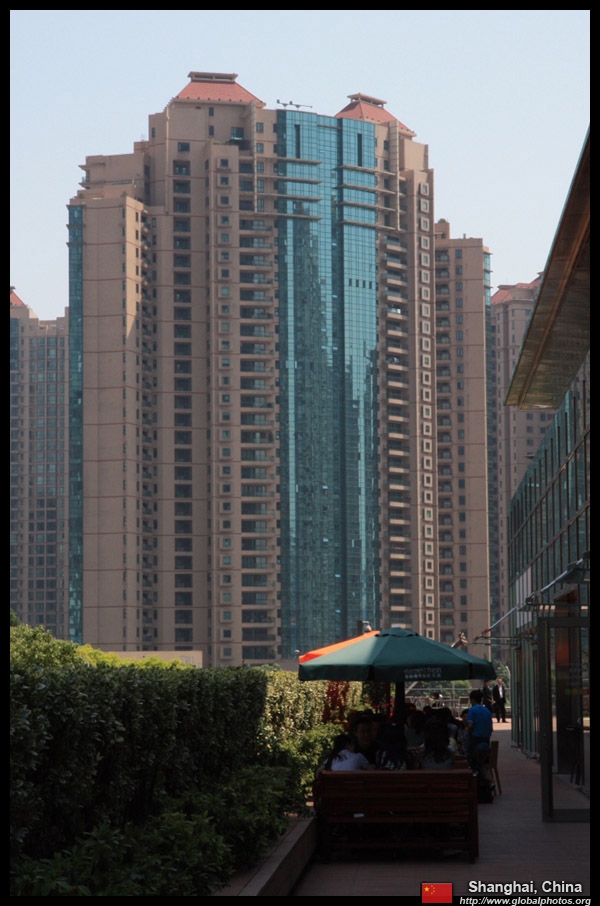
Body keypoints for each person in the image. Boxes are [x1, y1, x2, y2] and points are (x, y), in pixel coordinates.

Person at [466, 689, 493, 764]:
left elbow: (470, 726)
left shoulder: (472, 710)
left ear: (472, 699)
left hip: (476, 739)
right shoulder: (487, 711)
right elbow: (491, 728)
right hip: (486, 740)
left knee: (471, 758)